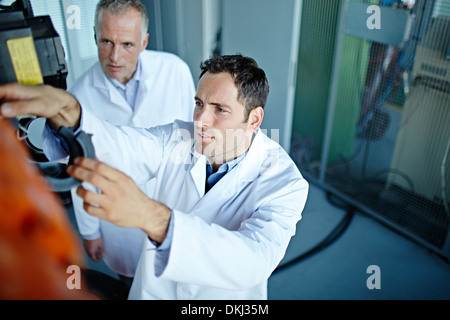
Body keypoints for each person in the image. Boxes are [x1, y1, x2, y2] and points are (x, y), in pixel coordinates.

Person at [0, 54, 309, 300]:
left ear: (254, 119)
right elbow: (121, 144)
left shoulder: (284, 182)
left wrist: (155, 219)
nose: (201, 120)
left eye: (219, 109)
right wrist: (71, 113)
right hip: (156, 292)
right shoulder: (178, 137)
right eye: (199, 104)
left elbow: (253, 260)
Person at [69, 0, 196, 287]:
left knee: (179, 283)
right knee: (131, 284)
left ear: (144, 41)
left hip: (173, 205)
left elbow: (193, 138)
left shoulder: (175, 71)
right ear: (94, 37)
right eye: (106, 41)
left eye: (127, 44)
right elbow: (81, 172)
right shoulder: (77, 97)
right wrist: (90, 232)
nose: (114, 56)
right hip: (119, 223)